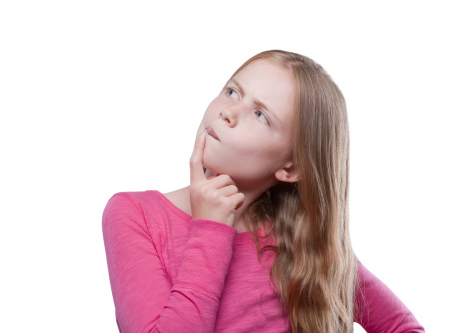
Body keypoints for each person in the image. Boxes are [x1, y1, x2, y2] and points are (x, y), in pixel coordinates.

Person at [102, 50, 424, 332]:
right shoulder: (133, 214)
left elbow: (402, 327)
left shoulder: (304, 245)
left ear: (290, 168)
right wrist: (211, 230)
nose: (228, 112)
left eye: (260, 115)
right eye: (232, 92)